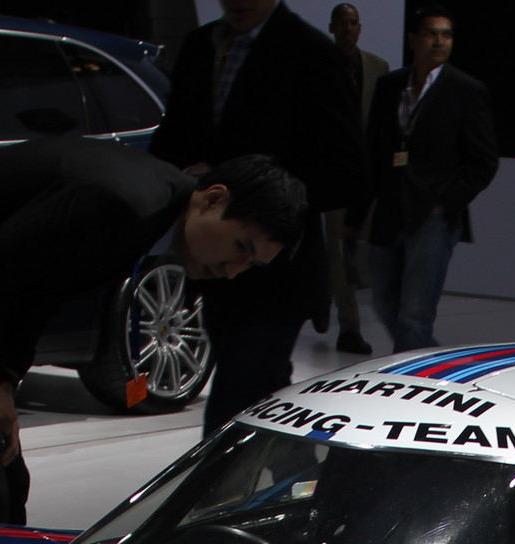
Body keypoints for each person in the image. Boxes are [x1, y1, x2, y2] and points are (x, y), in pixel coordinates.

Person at [0, 144, 300, 522]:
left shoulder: (151, 208)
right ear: (212, 199)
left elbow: (36, 287)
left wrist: (5, 378)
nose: (233, 271)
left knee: (4, 479)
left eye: (251, 265)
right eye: (240, 247)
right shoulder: (125, 205)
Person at [152, 0, 363, 432]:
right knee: (252, 395)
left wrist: (254, 189)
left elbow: (347, 172)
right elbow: (173, 137)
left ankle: (223, 492)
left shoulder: (311, 53)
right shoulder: (200, 45)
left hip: (274, 271)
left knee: (241, 397)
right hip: (212, 259)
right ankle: (264, 486)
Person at [361, 7, 497, 353]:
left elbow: (484, 161)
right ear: (413, 39)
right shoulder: (390, 85)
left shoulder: (466, 90)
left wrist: (444, 204)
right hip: (390, 210)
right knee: (384, 303)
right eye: (431, 33)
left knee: (414, 315)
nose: (439, 41)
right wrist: (360, 213)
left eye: (446, 34)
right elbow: (375, 150)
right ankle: (434, 367)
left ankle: (408, 383)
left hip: (432, 217)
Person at [324, 3, 386, 357]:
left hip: (368, 175)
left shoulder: (377, 68)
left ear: (360, 28)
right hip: (332, 175)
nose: (348, 29)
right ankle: (349, 327)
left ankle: (326, 304)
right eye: (342, 23)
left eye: (353, 23)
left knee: (365, 251)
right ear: (332, 27)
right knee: (337, 250)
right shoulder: (318, 66)